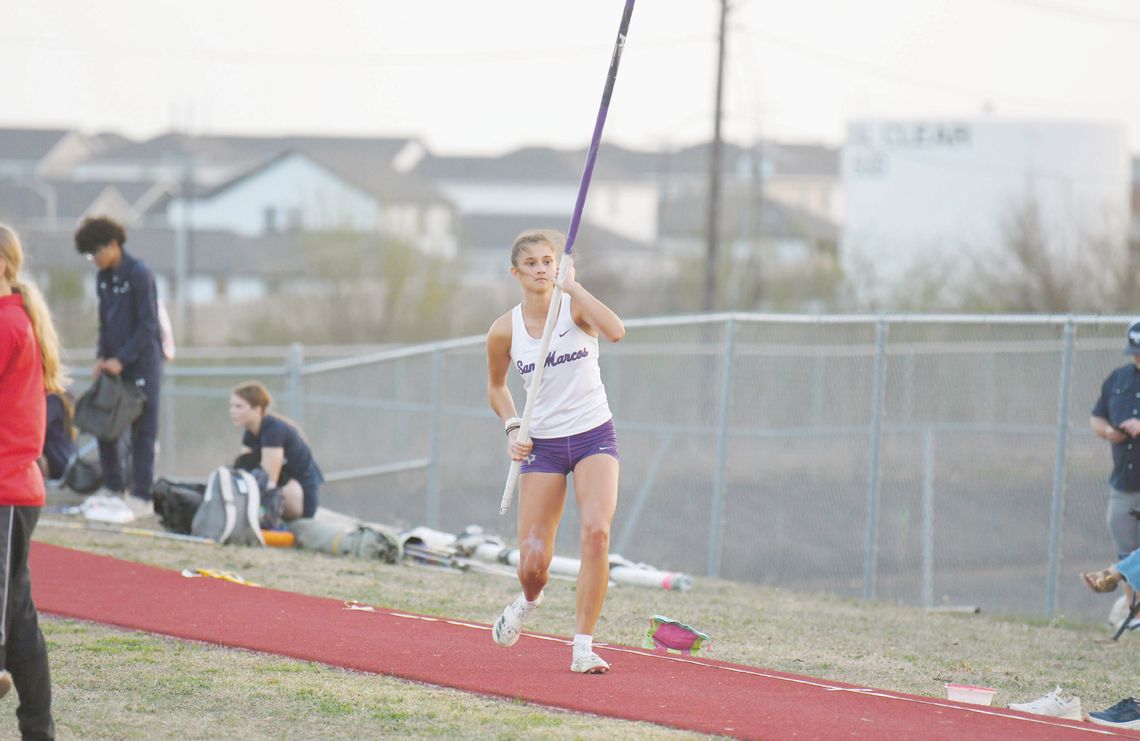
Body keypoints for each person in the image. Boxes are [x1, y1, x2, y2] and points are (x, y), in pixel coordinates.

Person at [485, 229, 625, 674]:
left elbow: (617, 332)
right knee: (532, 561)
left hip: (592, 435)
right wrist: (511, 428)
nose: (541, 269)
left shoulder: (575, 305)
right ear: (516, 272)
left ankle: (582, 646)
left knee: (597, 533)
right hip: (541, 446)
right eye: (532, 263)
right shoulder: (504, 329)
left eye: (548, 261)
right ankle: (530, 600)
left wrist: (575, 286)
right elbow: (496, 387)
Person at [0, 223, 58, 739]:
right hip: (13, 490)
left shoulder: (7, 324)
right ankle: (38, 729)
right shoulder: (13, 318)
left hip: (7, 491)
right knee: (18, 615)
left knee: (10, 613)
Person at [74, 216, 164, 521]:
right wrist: (102, 358)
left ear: (114, 244)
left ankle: (141, 494)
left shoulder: (139, 274)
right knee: (105, 425)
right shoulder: (103, 279)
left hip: (142, 365)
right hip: (112, 367)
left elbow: (148, 325)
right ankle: (113, 488)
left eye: (95, 253)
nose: (94, 260)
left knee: (144, 431)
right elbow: (105, 323)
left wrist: (122, 359)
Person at [1089, 317, 1140, 625]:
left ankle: (1115, 575)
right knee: (1125, 540)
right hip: (1125, 479)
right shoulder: (1118, 380)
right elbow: (1096, 418)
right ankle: (1132, 607)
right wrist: (1108, 431)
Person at [229, 381, 322, 521]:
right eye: (232, 406)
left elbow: (268, 481)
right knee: (244, 466)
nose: (233, 411)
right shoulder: (250, 433)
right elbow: (244, 471)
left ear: (258, 409)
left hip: (303, 500)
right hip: (285, 492)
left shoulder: (274, 430)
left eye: (239, 406)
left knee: (262, 480)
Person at [40, 392, 75, 481]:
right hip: (66, 458)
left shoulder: (53, 401)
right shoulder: (62, 397)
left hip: (57, 461)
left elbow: (38, 428)